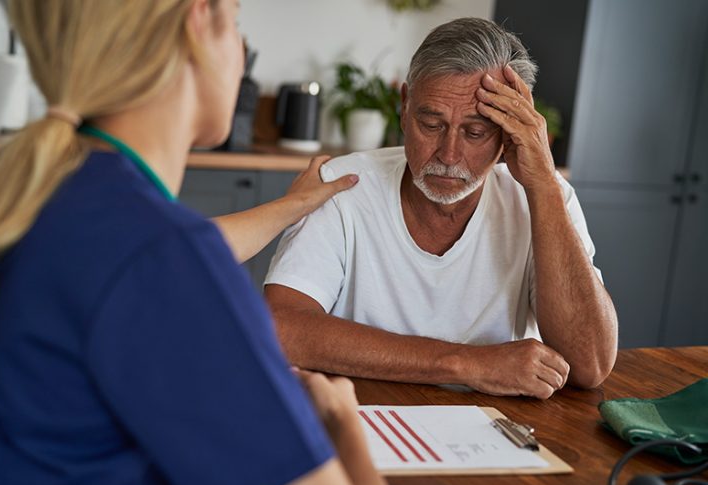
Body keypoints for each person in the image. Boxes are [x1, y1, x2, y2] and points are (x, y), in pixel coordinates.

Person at [0, 1, 395, 485]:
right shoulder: (158, 254)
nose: (241, 49)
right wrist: (341, 417)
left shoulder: (59, 194)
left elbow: (156, 257)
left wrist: (290, 208)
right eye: (235, 23)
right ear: (198, 22)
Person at [265, 17, 618, 400]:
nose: (449, 156)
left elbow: (590, 365)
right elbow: (281, 329)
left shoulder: (546, 196)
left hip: (498, 426)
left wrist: (544, 187)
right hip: (359, 417)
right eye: (432, 124)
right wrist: (465, 363)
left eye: (475, 132)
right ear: (404, 107)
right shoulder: (342, 185)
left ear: (509, 132)